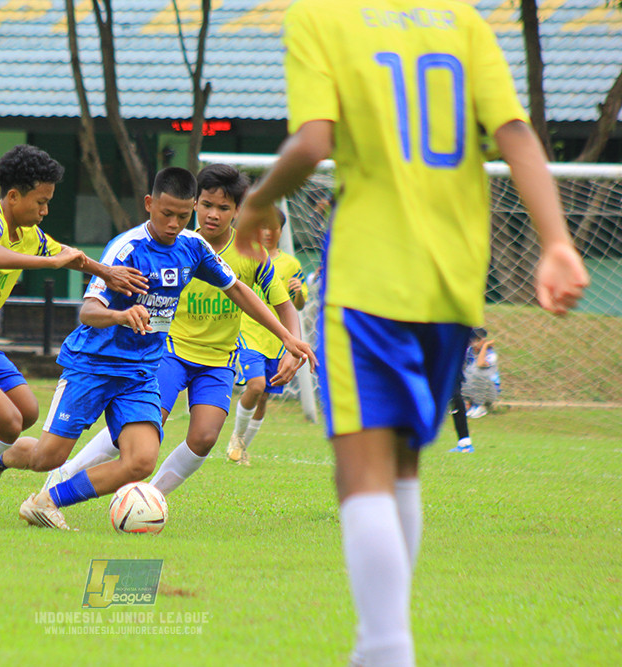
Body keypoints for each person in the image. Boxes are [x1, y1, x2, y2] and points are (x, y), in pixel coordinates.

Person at [233, 2, 590, 664]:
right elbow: (515, 131)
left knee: (361, 472)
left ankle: (385, 650)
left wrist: (257, 200)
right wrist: (557, 242)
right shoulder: (462, 21)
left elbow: (312, 143)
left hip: (368, 280)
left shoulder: (320, 19)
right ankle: (380, 649)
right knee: (401, 468)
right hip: (452, 284)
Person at [0, 167, 315, 530]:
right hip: (94, 364)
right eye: (167, 214)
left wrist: (287, 337)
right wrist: (121, 315)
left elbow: (239, 290)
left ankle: (47, 502)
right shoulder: (127, 248)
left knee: (141, 461)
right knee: (47, 457)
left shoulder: (193, 247)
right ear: (149, 204)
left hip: (141, 371)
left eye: (183, 216)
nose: (175, 224)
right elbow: (88, 312)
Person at [0, 144, 147, 528]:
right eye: (41, 202)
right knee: (6, 423)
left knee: (27, 411)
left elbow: (71, 256)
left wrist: (107, 272)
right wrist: (48, 262)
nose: (45, 210)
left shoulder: (30, 234)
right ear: (13, 196)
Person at [227, 211, 308, 465]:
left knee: (263, 397)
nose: (268, 232)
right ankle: (236, 438)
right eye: (263, 227)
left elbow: (299, 305)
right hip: (248, 333)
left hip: (276, 340)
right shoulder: (247, 257)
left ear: (281, 231)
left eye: (274, 228)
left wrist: (299, 293)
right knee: (256, 386)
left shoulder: (291, 264)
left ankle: (241, 448)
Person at [463, 327, 500, 418]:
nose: (475, 343)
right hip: (472, 389)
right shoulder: (469, 352)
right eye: (473, 340)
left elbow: (480, 364)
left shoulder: (491, 354)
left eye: (478, 340)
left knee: (477, 372)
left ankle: (480, 406)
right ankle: (466, 404)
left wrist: (484, 346)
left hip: (489, 390)